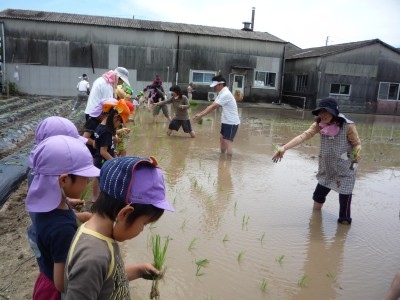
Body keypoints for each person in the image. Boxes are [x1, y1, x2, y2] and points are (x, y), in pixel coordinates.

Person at [64, 156, 175, 299]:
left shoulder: (103, 236)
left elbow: (108, 280)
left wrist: (140, 270)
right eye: (144, 224)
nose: (142, 230)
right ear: (125, 213)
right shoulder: (93, 257)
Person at [26, 135, 100, 300]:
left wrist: (82, 216)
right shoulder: (63, 230)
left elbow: (60, 219)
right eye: (85, 178)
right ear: (64, 180)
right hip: (54, 293)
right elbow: (61, 283)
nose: (88, 181)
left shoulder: (47, 205)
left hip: (44, 278)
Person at [271, 97, 362, 225]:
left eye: (326, 112)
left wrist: (357, 152)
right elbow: (304, 136)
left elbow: (357, 144)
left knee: (344, 210)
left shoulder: (348, 126)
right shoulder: (319, 124)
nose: (322, 115)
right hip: (327, 167)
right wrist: (284, 147)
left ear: (334, 112)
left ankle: (342, 234)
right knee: (318, 196)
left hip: (345, 168)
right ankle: (315, 221)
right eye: (320, 111)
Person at [26, 116, 93, 264]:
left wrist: (68, 201)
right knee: (51, 268)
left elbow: (48, 198)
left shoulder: (42, 171)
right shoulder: (61, 229)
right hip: (47, 240)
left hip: (43, 235)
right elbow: (64, 281)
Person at [91, 100, 130, 202]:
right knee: (105, 179)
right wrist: (115, 162)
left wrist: (111, 147)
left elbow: (96, 145)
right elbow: (103, 151)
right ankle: (101, 198)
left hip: (98, 159)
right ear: (115, 117)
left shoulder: (99, 127)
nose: (118, 125)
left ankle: (95, 197)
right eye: (120, 122)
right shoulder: (107, 131)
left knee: (97, 177)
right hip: (104, 161)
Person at [193, 75, 240, 156]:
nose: (214, 88)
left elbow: (213, 107)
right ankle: (222, 156)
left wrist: (200, 116)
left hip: (232, 122)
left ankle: (229, 161)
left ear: (221, 85)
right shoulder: (221, 94)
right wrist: (200, 114)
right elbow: (211, 106)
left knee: (227, 141)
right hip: (226, 120)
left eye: (215, 86)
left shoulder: (226, 94)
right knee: (222, 138)